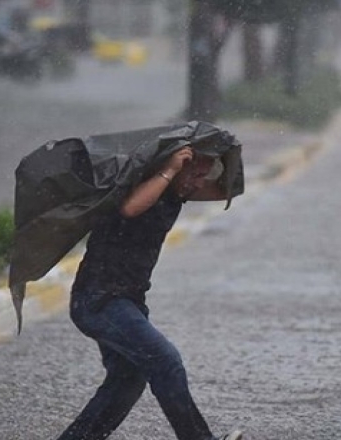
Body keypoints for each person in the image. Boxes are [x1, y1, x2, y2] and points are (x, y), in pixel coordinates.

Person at [57, 146, 244, 440]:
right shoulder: (136, 187)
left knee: (127, 381)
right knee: (165, 361)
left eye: (203, 175)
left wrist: (231, 154)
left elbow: (227, 190)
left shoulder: (176, 191)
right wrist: (169, 168)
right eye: (194, 173)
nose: (198, 182)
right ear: (174, 164)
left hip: (125, 303)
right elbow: (131, 208)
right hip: (99, 300)